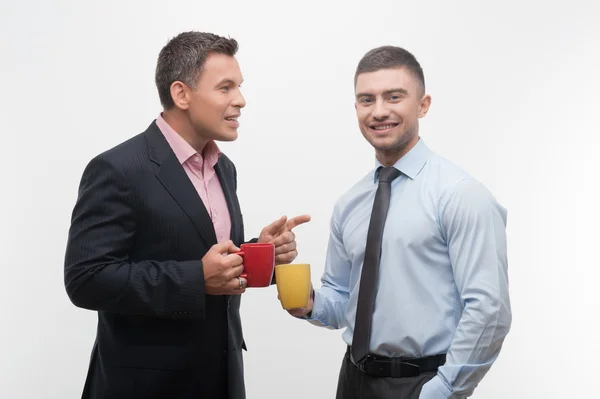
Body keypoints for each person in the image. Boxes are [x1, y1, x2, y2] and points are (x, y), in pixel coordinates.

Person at [64, 31, 310, 399]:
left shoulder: (223, 168)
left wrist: (261, 252)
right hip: (145, 387)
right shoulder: (118, 169)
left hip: (222, 378)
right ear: (181, 94)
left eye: (239, 87)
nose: (240, 100)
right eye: (225, 88)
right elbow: (85, 278)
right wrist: (196, 277)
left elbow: (209, 257)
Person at [287, 45, 511, 398]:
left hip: (423, 383)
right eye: (366, 99)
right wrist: (305, 300)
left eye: (394, 97)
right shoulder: (350, 203)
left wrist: (442, 391)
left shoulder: (461, 194)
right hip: (353, 380)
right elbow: (342, 300)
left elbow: (489, 310)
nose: (379, 112)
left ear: (423, 104)